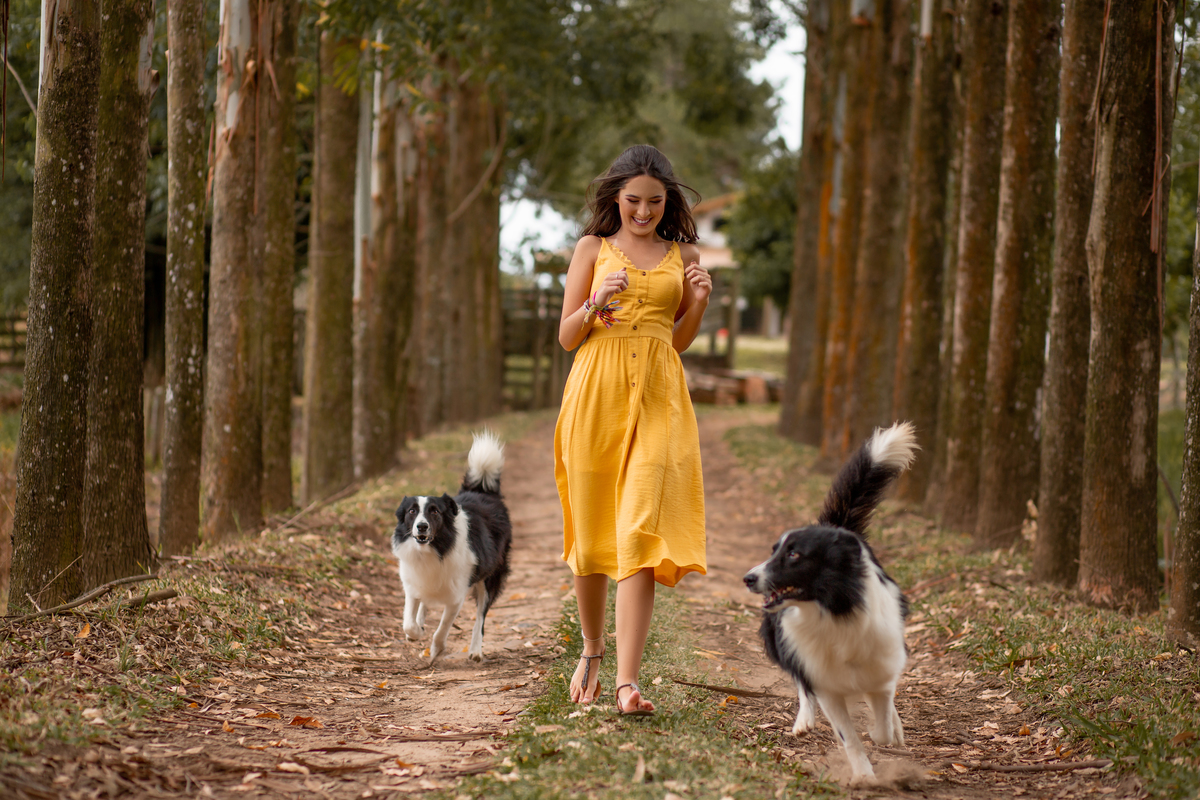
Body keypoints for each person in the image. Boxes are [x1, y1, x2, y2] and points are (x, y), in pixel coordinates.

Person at [553, 145, 712, 716]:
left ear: (669, 202)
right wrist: (596, 302)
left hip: (660, 397)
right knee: (594, 529)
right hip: (596, 393)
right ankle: (592, 649)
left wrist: (697, 304)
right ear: (616, 198)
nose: (643, 212)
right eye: (633, 201)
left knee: (642, 529)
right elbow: (568, 336)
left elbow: (676, 339)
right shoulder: (591, 249)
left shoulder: (684, 253)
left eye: (654, 202)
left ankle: (627, 682)